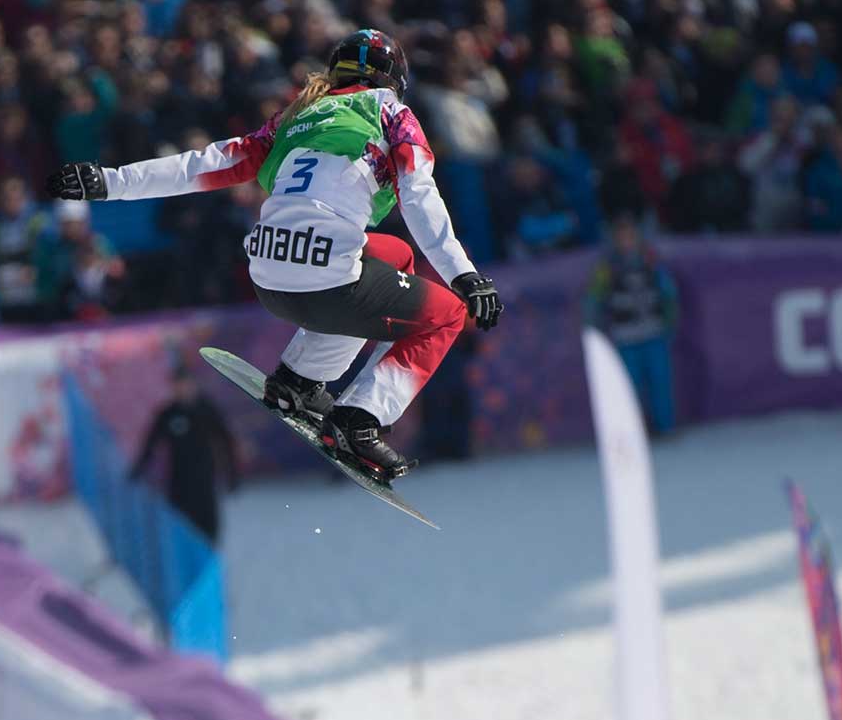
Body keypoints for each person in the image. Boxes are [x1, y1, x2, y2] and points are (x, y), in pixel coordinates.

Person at [48, 29, 502, 482]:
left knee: (396, 255)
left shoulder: (297, 113)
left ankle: (299, 380)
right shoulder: (391, 112)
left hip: (268, 274)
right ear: (395, 78)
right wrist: (463, 275)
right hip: (329, 276)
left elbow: (209, 162)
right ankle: (361, 419)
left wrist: (110, 182)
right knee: (446, 315)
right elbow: (419, 194)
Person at [584, 215, 679, 437]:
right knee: (628, 387)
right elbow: (594, 298)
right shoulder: (607, 267)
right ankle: (633, 431)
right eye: (621, 237)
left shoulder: (651, 261)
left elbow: (668, 293)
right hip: (625, 336)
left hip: (653, 332)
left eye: (630, 236)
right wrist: (595, 329)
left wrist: (670, 321)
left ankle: (665, 426)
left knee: (660, 382)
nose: (626, 241)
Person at [130, 361, 240, 542]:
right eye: (177, 385)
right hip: (178, 481)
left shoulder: (207, 409)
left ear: (192, 384)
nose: (182, 389)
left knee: (207, 526)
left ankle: (209, 553)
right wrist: (138, 469)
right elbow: (151, 443)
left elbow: (225, 441)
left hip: (203, 479)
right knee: (180, 527)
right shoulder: (168, 413)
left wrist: (232, 476)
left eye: (185, 384)